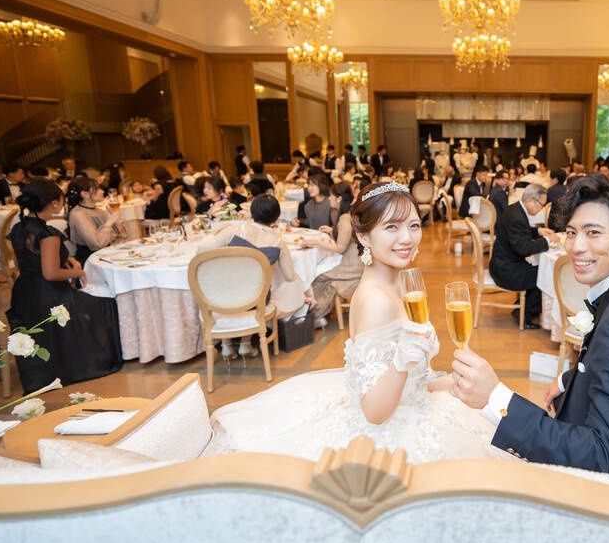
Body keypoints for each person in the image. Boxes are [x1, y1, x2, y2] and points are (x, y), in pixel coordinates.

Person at [212, 182, 503, 463]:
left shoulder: (399, 282)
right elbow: (374, 412)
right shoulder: (377, 301)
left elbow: (412, 382)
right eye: (391, 227)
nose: (406, 238)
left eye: (413, 225)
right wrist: (402, 362)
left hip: (412, 401)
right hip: (393, 435)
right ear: (364, 237)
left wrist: (449, 382)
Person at [451, 174, 609, 479]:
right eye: (571, 232)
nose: (576, 247)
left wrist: (495, 397)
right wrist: (569, 379)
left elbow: (605, 457)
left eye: (593, 233)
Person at [7, 178, 123, 392]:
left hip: (23, 294)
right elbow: (50, 274)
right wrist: (78, 272)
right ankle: (86, 359)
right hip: (49, 295)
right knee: (105, 303)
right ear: (54, 203)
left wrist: (65, 259)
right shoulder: (48, 234)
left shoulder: (18, 228)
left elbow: (28, 260)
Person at [197, 194, 313, 357]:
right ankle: (245, 344)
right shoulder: (277, 241)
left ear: (251, 211)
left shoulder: (236, 229)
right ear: (276, 216)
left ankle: (226, 345)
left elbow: (202, 249)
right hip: (256, 299)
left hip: (222, 296)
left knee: (229, 283)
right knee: (262, 288)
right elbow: (289, 277)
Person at [489, 184, 558, 329]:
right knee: (545, 273)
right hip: (506, 270)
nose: (541, 209)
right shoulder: (517, 217)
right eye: (541, 205)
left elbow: (519, 234)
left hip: (501, 262)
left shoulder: (515, 209)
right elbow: (524, 249)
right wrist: (547, 241)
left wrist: (538, 231)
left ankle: (524, 307)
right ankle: (524, 313)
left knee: (541, 269)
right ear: (531, 201)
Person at [308, 183, 362, 328]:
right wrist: (332, 230)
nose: (329, 199)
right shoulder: (351, 213)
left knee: (317, 275)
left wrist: (316, 242)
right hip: (356, 261)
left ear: (339, 198)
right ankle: (321, 311)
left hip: (351, 266)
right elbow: (348, 235)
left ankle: (316, 314)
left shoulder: (345, 218)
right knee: (320, 269)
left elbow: (340, 248)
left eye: (331, 196)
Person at [66, 176, 124, 264]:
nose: (102, 191)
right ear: (85, 194)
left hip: (106, 254)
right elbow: (97, 244)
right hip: (90, 259)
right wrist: (110, 222)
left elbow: (121, 235)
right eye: (97, 189)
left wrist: (115, 219)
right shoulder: (78, 213)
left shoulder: (99, 211)